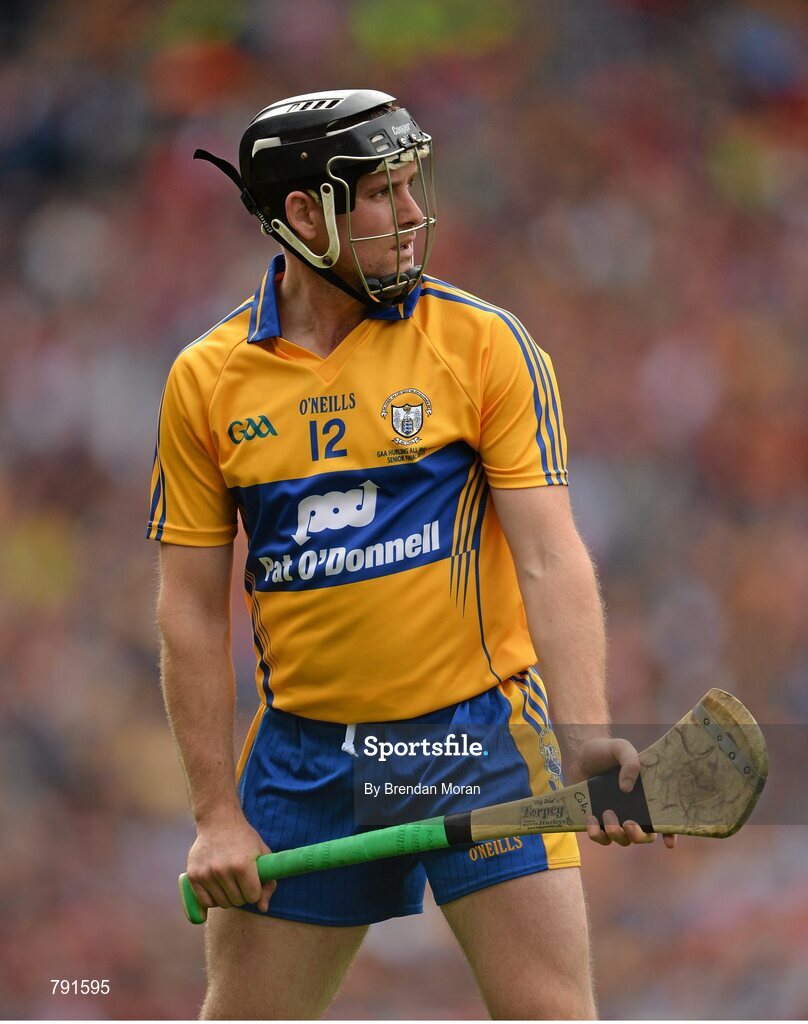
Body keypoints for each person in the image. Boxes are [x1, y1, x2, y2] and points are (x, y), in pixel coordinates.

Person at [148, 89, 676, 1020]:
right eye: (383, 194)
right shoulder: (207, 378)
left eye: (408, 186)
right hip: (306, 762)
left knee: (551, 1013)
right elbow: (189, 609)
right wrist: (212, 815)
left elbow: (551, 559)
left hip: (473, 741)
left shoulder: (482, 343)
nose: (413, 214)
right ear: (305, 215)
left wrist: (588, 738)